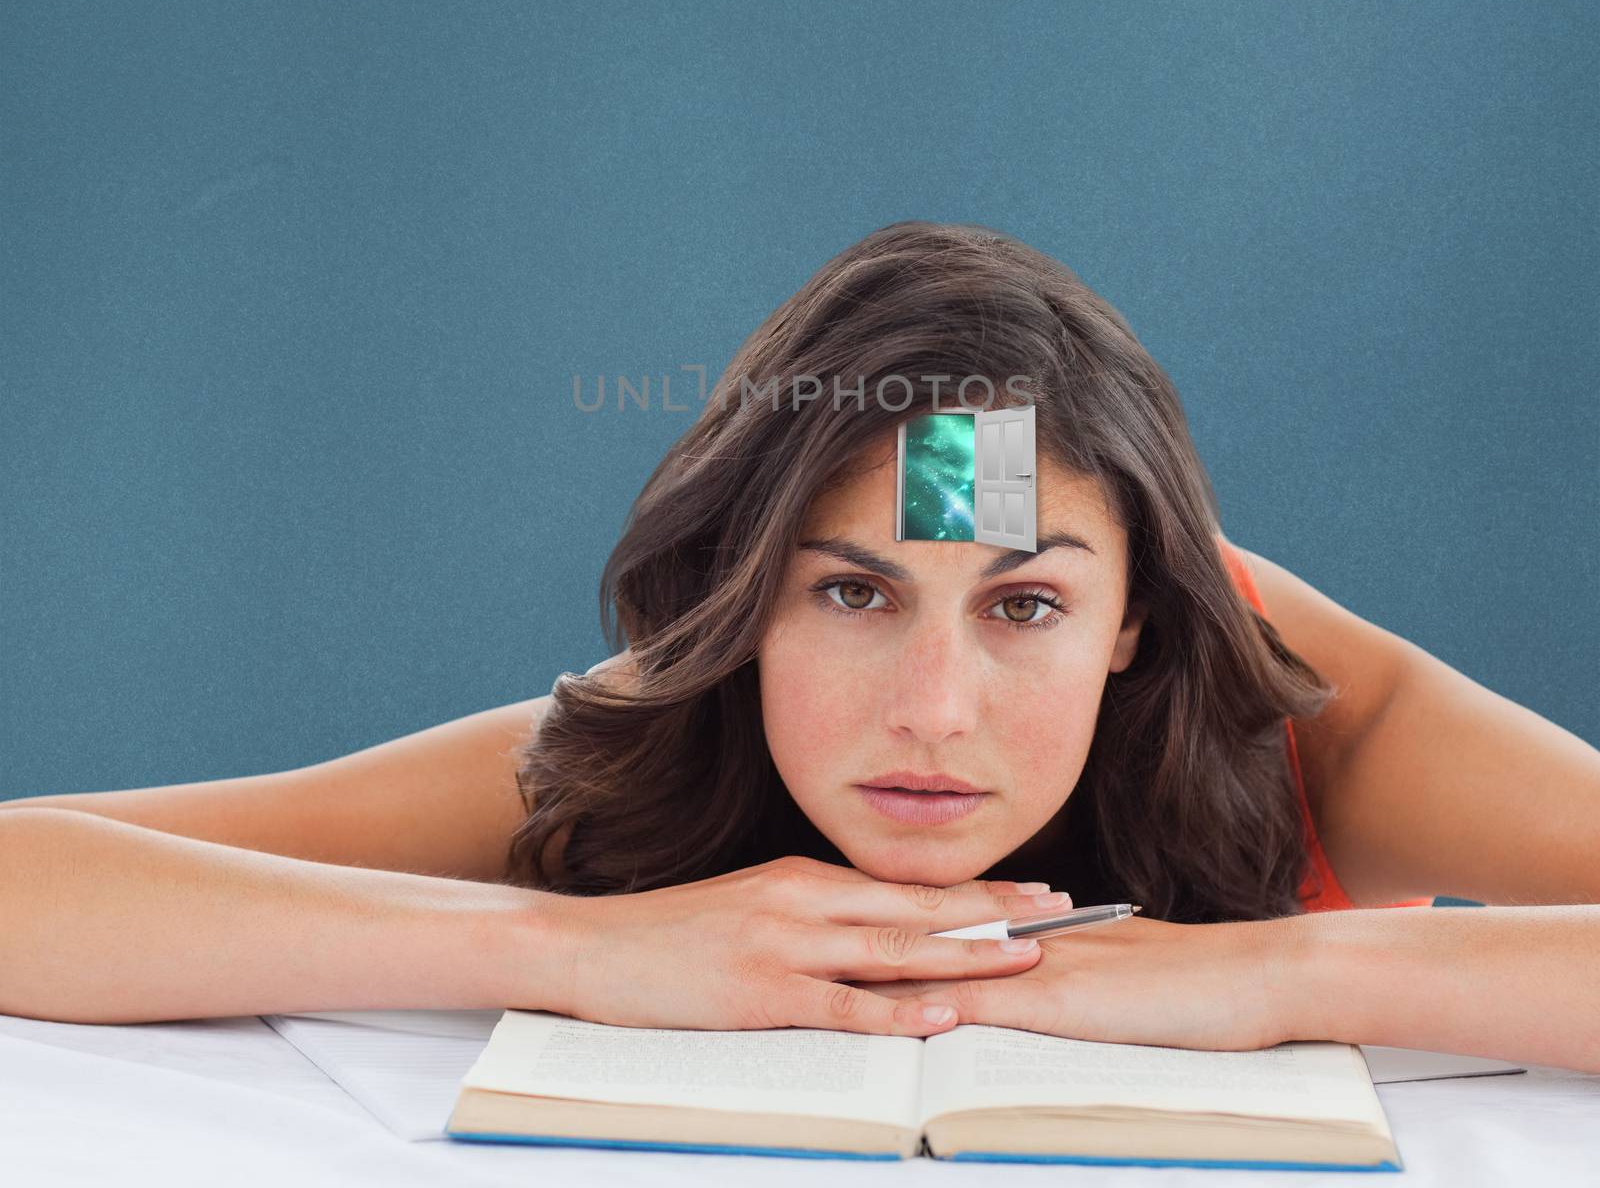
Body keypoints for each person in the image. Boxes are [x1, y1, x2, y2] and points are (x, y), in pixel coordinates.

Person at [3, 221, 1597, 1074]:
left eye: (1026, 606)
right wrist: (569, 948)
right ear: (746, 599)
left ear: (1138, 626)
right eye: (850, 595)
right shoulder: (672, 732)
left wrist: (1276, 972)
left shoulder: (1315, 720)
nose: (933, 712)